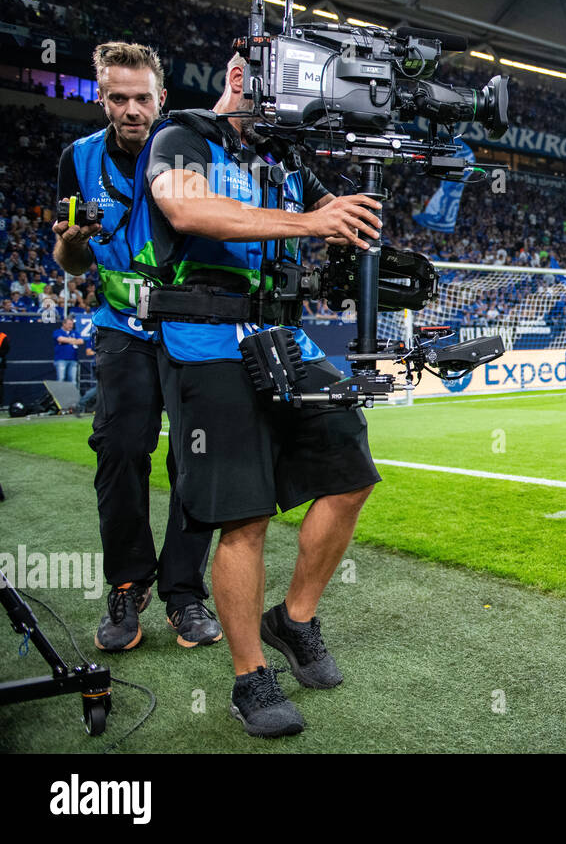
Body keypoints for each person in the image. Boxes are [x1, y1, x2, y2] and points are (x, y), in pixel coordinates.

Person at [130, 52, 384, 737]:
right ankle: (250, 678)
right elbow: (184, 207)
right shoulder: (182, 136)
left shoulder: (283, 157)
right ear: (241, 79)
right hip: (204, 337)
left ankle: (293, 618)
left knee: (350, 469)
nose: (291, 120)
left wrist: (352, 210)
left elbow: (334, 214)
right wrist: (310, 223)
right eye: (285, 103)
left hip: (282, 335)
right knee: (243, 515)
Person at [54, 41, 221, 652]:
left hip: (189, 327)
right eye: (118, 97)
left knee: (196, 459)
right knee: (120, 448)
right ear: (102, 99)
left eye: (142, 97)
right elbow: (71, 262)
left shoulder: (191, 150)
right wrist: (72, 241)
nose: (131, 109)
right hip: (122, 327)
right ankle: (127, 583)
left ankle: (184, 592)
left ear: (162, 99)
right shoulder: (77, 158)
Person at [52, 316, 82, 382]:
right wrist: (73, 340)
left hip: (73, 359)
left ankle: (72, 392)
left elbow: (81, 341)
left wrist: (66, 340)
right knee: (61, 379)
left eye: (72, 324)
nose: (71, 326)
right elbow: (60, 339)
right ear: (64, 324)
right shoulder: (58, 332)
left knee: (73, 380)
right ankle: (60, 392)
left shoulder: (74, 332)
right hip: (61, 359)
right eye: (69, 324)